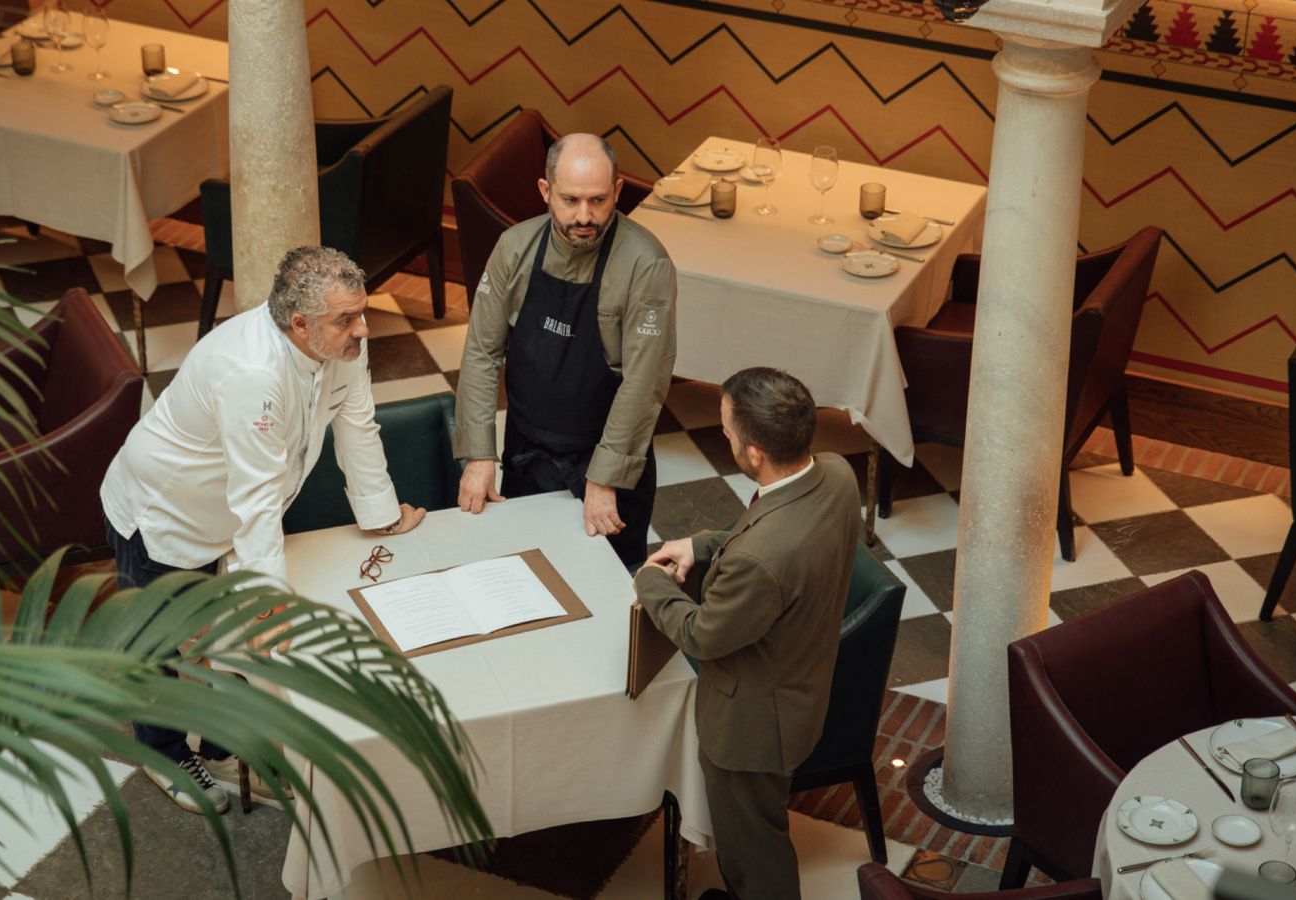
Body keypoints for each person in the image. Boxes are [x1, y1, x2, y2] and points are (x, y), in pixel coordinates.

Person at [100, 246, 426, 814]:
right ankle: (166, 755)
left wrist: (381, 515)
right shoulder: (250, 372)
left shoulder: (342, 343)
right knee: (163, 647)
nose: (363, 327)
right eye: (346, 318)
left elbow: (357, 422)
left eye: (361, 311)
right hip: (162, 516)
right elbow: (255, 500)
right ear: (300, 325)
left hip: (229, 517)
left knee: (223, 642)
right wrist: (268, 607)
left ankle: (225, 746)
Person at [634, 367, 859, 900]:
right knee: (756, 835)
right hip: (802, 687)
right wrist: (703, 544)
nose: (725, 438)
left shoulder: (761, 563)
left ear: (755, 453)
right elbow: (761, 534)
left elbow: (703, 635)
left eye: (728, 432)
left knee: (754, 854)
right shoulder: (834, 473)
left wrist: (651, 583)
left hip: (752, 728)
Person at [453, 132, 676, 568]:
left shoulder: (646, 264)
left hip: (605, 456)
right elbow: (481, 353)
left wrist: (605, 478)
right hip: (527, 452)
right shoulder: (514, 248)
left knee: (607, 584)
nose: (584, 216)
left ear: (616, 191)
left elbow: (645, 381)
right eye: (570, 200)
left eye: (597, 200)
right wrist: (479, 454)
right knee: (527, 574)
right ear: (545, 192)